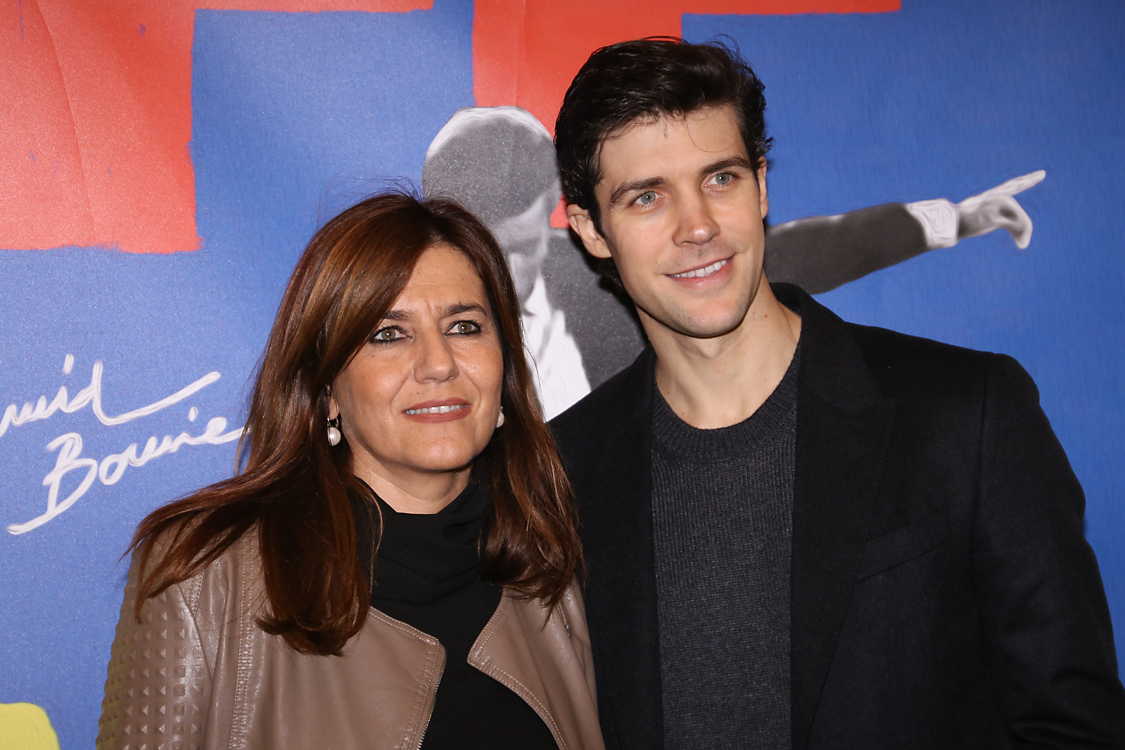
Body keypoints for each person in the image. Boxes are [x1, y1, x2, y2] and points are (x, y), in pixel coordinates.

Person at [550, 38, 1125, 749]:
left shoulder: (966, 415)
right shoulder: (561, 470)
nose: (696, 226)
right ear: (589, 229)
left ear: (761, 185)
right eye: (646, 196)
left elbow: (1073, 727)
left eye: (720, 178)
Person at [96, 193, 604, 749]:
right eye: (388, 334)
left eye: (464, 326)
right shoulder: (201, 573)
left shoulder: (557, 566)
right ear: (327, 387)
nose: (439, 363)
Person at [423, 107, 1044, 418]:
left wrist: (955, 219)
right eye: (481, 247)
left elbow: (812, 249)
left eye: (521, 246)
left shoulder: (620, 276)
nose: (502, 269)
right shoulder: (400, 324)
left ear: (563, 217)